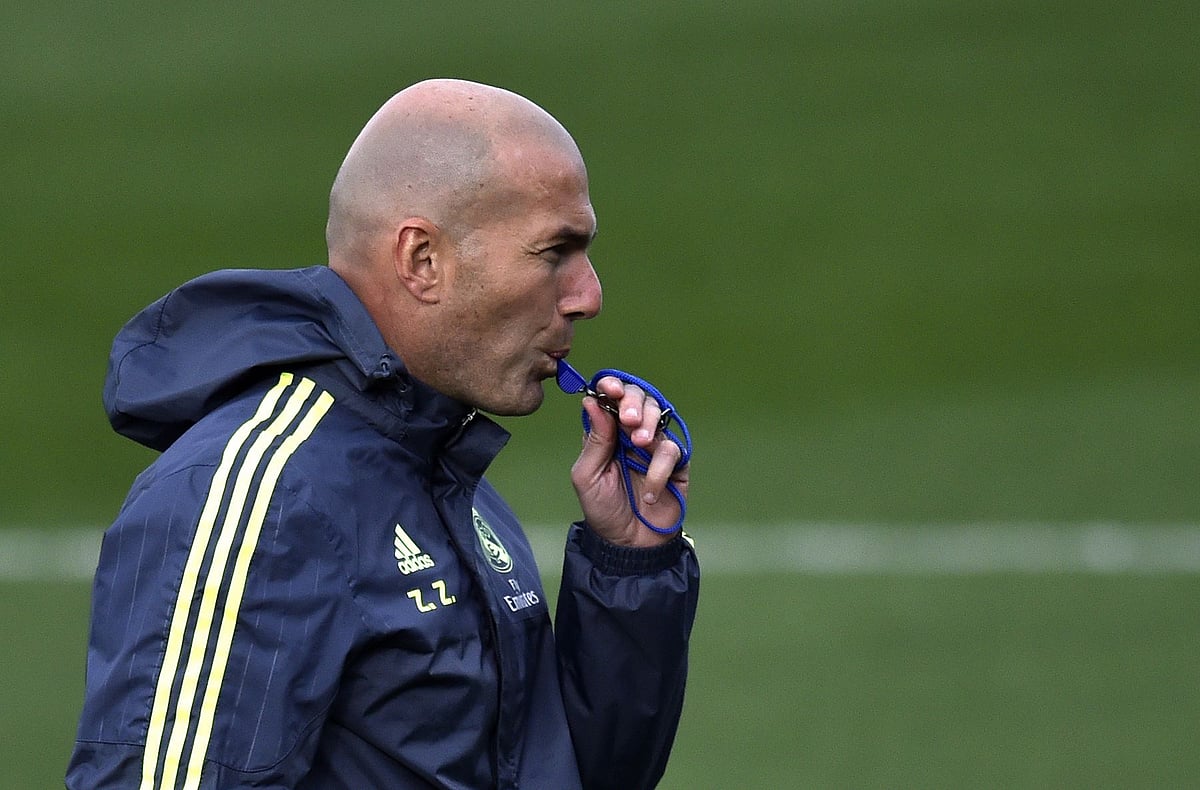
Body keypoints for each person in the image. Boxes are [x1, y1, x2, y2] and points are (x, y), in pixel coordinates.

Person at [66, 79, 699, 789]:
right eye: (555, 252)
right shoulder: (262, 497)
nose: (589, 295)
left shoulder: (446, 480)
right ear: (422, 260)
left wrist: (630, 565)